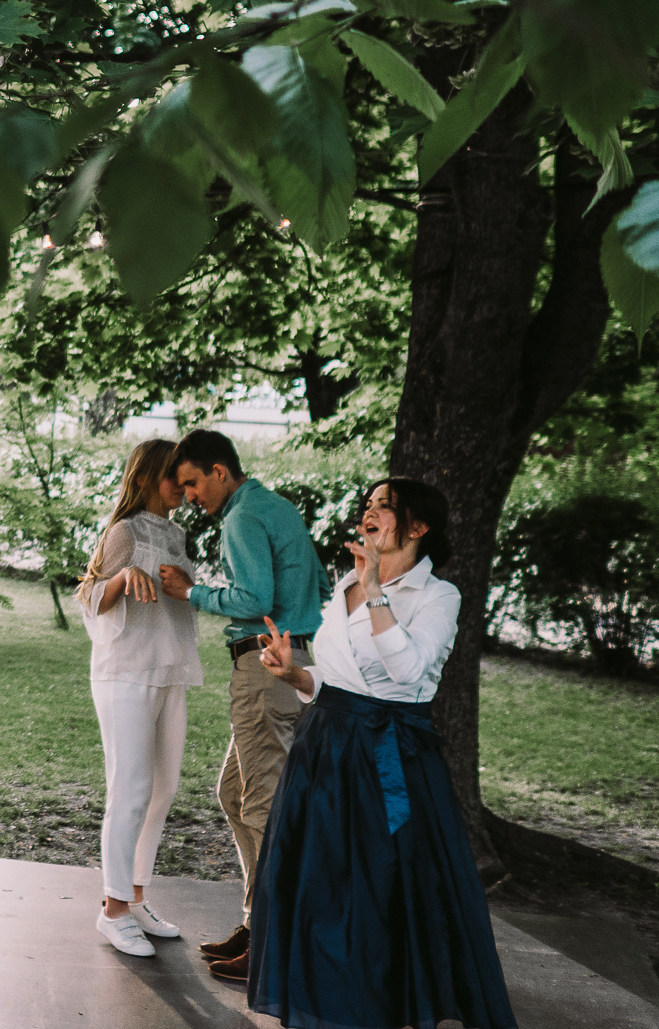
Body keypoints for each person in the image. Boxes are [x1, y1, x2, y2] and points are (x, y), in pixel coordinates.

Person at [249, 479, 517, 1029]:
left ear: (418, 528)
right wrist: (294, 672)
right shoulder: (344, 581)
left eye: (384, 507)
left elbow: (408, 673)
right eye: (367, 505)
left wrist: (375, 592)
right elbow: (341, 677)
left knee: (383, 880)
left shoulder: (439, 596)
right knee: (317, 877)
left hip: (389, 756)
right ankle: (324, 999)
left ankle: (381, 1003)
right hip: (323, 748)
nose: (369, 513)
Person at [158, 429, 329, 981]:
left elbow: (255, 598)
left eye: (192, 483)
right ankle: (259, 923)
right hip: (288, 660)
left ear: (219, 472)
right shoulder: (275, 506)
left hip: (265, 668)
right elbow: (318, 584)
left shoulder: (240, 516)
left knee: (262, 806)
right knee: (234, 793)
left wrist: (192, 591)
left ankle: (274, 946)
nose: (188, 496)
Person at [76, 439, 204, 958]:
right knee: (129, 790)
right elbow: (87, 595)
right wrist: (122, 576)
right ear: (151, 475)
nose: (184, 485)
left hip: (169, 670)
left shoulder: (176, 533)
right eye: (176, 475)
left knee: (163, 788)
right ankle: (112, 911)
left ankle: (136, 896)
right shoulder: (123, 531)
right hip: (125, 673)